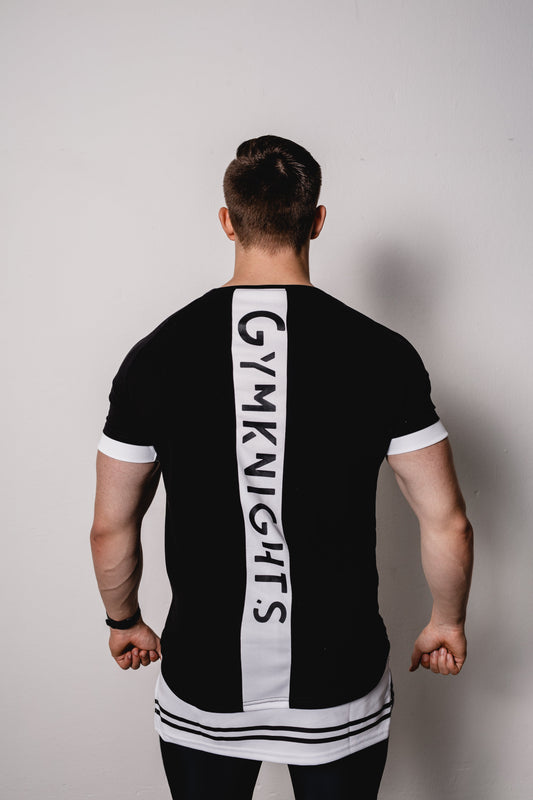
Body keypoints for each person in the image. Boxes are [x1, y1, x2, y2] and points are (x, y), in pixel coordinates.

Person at [90, 135, 473, 800]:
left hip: (205, 682)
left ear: (227, 220)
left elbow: (110, 526)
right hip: (338, 683)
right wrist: (446, 621)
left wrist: (123, 621)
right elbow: (447, 521)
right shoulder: (384, 356)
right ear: (316, 221)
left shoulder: (155, 356)